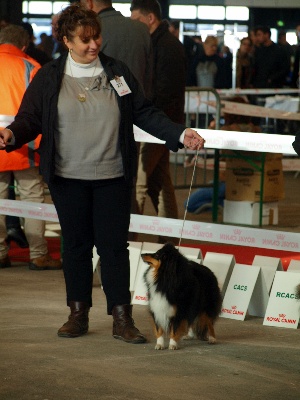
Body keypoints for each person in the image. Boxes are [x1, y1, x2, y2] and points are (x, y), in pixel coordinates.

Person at [0, 4, 205, 342]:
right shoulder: (49, 75)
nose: (93, 45)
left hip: (112, 175)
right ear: (66, 40)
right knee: (76, 246)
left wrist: (180, 134)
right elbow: (29, 118)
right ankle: (77, 313)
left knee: (113, 248)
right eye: (84, 40)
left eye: (96, 37)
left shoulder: (116, 72)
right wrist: (11, 135)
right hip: (67, 177)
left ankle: (121, 317)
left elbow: (144, 112)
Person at [80, 0, 153, 241]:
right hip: (135, 121)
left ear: (89, 3)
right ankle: (128, 241)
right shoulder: (140, 30)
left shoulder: (92, 30)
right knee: (128, 185)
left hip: (96, 126)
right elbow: (148, 75)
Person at [0, 24, 62, 271]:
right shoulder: (32, 68)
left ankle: (0, 252)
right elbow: (43, 111)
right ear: (24, 46)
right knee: (32, 198)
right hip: (23, 146)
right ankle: (38, 254)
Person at [130, 0, 186, 242]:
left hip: (158, 126)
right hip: (163, 125)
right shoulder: (161, 43)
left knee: (140, 183)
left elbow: (165, 90)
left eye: (136, 20)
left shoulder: (166, 46)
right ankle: (170, 239)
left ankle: (126, 241)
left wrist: (149, 117)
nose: (133, 26)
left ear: (150, 18)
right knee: (161, 183)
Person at [80, 0, 152, 98]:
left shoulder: (91, 32)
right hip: (140, 105)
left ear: (89, 3)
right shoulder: (142, 29)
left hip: (105, 104)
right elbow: (150, 75)